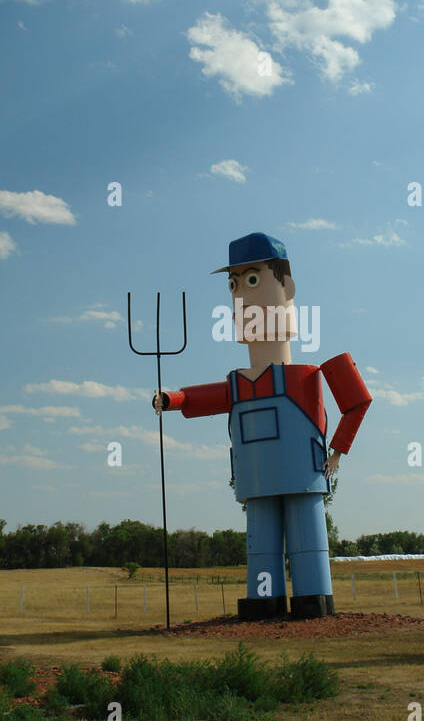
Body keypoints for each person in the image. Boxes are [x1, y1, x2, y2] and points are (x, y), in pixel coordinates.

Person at [154, 233, 371, 619]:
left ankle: (312, 597)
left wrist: (337, 452)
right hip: (256, 478)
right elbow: (203, 398)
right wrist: (172, 399)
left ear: (286, 288)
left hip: (302, 474)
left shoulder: (306, 375)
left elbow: (357, 401)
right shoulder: (237, 383)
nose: (242, 297)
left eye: (252, 281)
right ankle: (264, 600)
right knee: (261, 543)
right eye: (234, 285)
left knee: (308, 541)